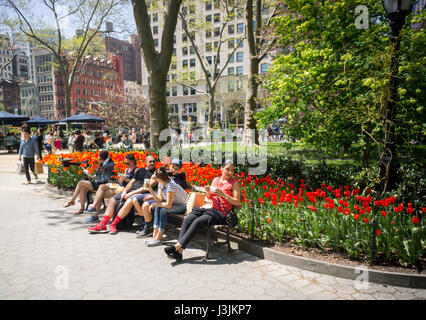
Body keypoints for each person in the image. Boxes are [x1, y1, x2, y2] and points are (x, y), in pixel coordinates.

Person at [164, 160, 241, 262]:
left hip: (221, 213)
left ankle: (177, 247)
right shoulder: (216, 180)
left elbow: (238, 202)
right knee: (188, 219)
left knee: (199, 221)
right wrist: (208, 192)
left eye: (232, 170)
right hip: (208, 208)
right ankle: (179, 252)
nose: (230, 172)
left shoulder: (234, 183)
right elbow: (209, 197)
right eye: (227, 169)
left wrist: (224, 195)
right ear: (221, 168)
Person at [88, 154, 158, 234]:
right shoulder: (140, 170)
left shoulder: (155, 173)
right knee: (112, 200)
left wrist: (131, 193)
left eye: (154, 161)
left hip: (142, 193)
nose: (152, 163)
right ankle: (103, 224)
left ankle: (113, 224)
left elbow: (145, 188)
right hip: (131, 191)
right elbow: (131, 183)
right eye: (150, 161)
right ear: (145, 162)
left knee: (129, 201)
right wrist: (125, 191)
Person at [84, 153, 138, 224]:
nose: (126, 165)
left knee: (101, 193)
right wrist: (121, 179)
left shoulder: (136, 170)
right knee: (101, 188)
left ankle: (95, 215)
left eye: (128, 163)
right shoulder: (126, 170)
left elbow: (136, 183)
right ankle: (94, 209)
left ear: (133, 161)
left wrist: (126, 179)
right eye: (125, 163)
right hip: (120, 186)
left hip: (125, 189)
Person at [143, 166, 188, 247]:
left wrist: (155, 204)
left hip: (183, 205)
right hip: (174, 204)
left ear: (159, 178)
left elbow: (168, 205)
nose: (154, 179)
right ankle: (155, 232)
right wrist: (151, 190)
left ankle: (159, 236)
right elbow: (159, 199)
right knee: (158, 205)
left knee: (163, 209)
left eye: (155, 177)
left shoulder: (171, 185)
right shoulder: (161, 183)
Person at [63, 150, 115, 215]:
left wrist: (106, 160)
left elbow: (105, 166)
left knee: (80, 183)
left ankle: (72, 201)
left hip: (103, 184)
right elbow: (98, 175)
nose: (99, 160)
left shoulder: (110, 164)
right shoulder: (101, 163)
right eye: (99, 158)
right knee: (82, 188)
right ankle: (81, 209)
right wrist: (91, 175)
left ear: (105, 158)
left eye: (100, 159)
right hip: (96, 182)